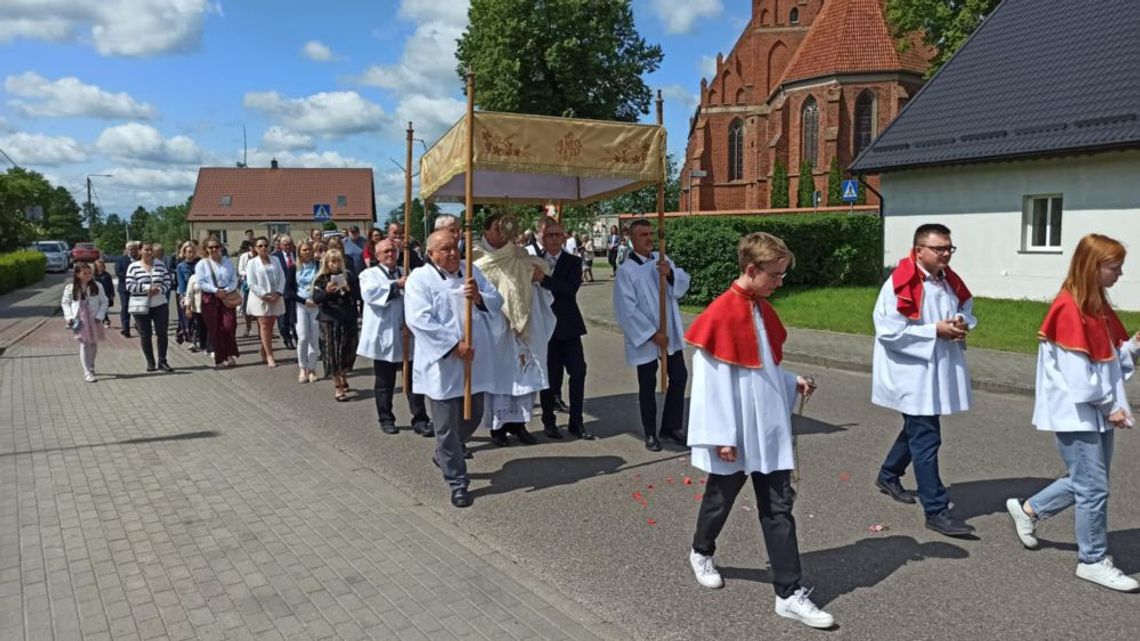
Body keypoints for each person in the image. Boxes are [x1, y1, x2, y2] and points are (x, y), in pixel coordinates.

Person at [683, 232, 833, 629]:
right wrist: (722, 436)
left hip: (767, 430)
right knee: (719, 500)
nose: (780, 282)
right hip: (734, 433)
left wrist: (790, 382)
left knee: (779, 507)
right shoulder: (720, 313)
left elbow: (761, 368)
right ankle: (701, 550)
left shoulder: (761, 308)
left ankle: (788, 592)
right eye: (775, 275)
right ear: (751, 270)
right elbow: (710, 386)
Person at [1005, 234, 1140, 592]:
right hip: (1077, 413)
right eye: (1115, 267)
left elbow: (1111, 363)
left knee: (1086, 480)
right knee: (1093, 487)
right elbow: (1079, 379)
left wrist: (1135, 346)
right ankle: (1092, 560)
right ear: (1093, 267)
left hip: (1092, 411)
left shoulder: (1096, 306)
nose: (1120, 273)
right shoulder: (1069, 308)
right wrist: (1111, 407)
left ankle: (1029, 510)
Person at [872, 223, 975, 537]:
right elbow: (888, 331)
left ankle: (889, 474)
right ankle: (936, 509)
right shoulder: (898, 284)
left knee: (918, 428)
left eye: (949, 248)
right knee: (927, 437)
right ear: (919, 251)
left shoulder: (948, 281)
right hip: (911, 374)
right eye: (939, 248)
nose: (945, 254)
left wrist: (962, 322)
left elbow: (968, 309)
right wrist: (935, 331)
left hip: (936, 368)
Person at [405, 230, 504, 508]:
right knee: (447, 426)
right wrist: (452, 346)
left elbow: (497, 300)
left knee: (474, 415)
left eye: (455, 247)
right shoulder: (419, 279)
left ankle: (444, 453)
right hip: (444, 362)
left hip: (474, 359)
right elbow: (419, 319)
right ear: (431, 254)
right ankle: (457, 481)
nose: (452, 253)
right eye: (445, 249)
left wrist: (480, 298)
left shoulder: (470, 270)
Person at [474, 213, 556, 446]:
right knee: (499, 375)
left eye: (506, 231)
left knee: (522, 372)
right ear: (487, 231)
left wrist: (531, 271)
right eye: (498, 230)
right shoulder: (477, 257)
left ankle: (519, 424)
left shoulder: (517, 253)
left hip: (522, 324)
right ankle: (497, 428)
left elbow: (538, 266)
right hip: (495, 322)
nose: (503, 235)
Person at [613, 218, 690, 451]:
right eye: (643, 235)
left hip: (669, 331)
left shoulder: (662, 260)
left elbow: (682, 285)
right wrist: (651, 333)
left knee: (679, 375)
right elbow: (626, 309)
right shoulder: (626, 271)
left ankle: (671, 426)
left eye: (650, 234)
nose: (648, 239)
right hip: (647, 334)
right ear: (632, 239)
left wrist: (670, 275)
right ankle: (650, 433)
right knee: (647, 384)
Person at [358, 239, 432, 435]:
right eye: (386, 252)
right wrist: (396, 286)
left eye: (393, 251)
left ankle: (420, 418)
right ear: (377, 255)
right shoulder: (368, 275)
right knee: (384, 381)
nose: (390, 254)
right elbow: (370, 295)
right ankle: (386, 418)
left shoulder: (406, 272)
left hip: (408, 334)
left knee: (413, 380)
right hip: (385, 335)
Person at [536, 221, 593, 440]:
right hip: (545, 327)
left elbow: (570, 289)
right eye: (550, 235)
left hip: (568, 325)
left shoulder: (572, 261)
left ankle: (576, 422)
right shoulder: (533, 261)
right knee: (550, 376)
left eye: (558, 235)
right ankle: (549, 421)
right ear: (542, 237)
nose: (554, 239)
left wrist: (544, 280)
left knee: (578, 371)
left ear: (563, 237)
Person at [312, 250, 358, 401]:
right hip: (330, 319)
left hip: (347, 318)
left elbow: (358, 295)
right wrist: (326, 291)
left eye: (338, 261)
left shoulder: (349, 276)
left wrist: (348, 290)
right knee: (332, 352)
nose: (335, 264)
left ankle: (343, 374)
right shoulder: (321, 279)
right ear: (326, 263)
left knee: (347, 350)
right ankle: (337, 386)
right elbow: (317, 299)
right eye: (332, 262)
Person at [125, 243, 174, 373]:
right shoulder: (133, 267)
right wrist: (146, 289)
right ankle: (150, 362)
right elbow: (129, 286)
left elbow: (168, 281)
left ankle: (162, 361)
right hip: (141, 304)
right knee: (145, 334)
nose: (148, 252)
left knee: (162, 333)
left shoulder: (160, 264)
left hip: (160, 304)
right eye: (146, 250)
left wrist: (159, 290)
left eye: (150, 250)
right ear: (140, 251)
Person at [195, 236, 240, 368]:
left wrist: (227, 290)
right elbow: (201, 282)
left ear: (221, 247)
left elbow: (234, 279)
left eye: (216, 246)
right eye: (211, 247)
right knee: (215, 329)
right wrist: (215, 290)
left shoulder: (228, 263)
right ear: (206, 249)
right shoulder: (202, 264)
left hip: (227, 296)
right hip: (210, 298)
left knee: (229, 326)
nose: (214, 249)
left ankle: (229, 353)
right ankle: (220, 358)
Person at [62, 262, 109, 383]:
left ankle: (91, 365)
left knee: (93, 343)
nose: (88, 275)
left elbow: (104, 302)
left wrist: (100, 315)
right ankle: (87, 372)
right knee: (84, 344)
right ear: (78, 274)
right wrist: (69, 316)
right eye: (85, 273)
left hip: (94, 318)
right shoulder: (70, 287)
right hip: (79, 319)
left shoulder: (97, 285)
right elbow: (65, 303)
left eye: (90, 273)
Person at [245, 236, 286, 368]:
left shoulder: (276, 260)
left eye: (265, 245)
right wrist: (264, 295)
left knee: (271, 325)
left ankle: (264, 349)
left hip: (275, 297)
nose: (263, 248)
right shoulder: (252, 263)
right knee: (264, 325)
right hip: (260, 299)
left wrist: (278, 292)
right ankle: (270, 355)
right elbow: (251, 283)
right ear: (256, 248)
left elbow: (282, 277)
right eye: (260, 246)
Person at [294, 240, 321, 383]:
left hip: (315, 304)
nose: (307, 252)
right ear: (299, 252)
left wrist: (318, 298)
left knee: (314, 338)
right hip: (301, 304)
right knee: (303, 337)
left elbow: (322, 283)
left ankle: (312, 368)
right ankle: (302, 367)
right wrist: (304, 301)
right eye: (304, 250)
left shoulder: (318, 265)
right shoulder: (294, 267)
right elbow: (289, 291)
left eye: (309, 249)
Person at [272, 235, 298, 350]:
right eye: (285, 244)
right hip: (281, 291)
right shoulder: (275, 257)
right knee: (283, 318)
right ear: (281, 245)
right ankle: (287, 338)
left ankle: (298, 338)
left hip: (295, 291)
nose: (287, 247)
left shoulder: (297, 255)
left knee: (295, 317)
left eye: (289, 244)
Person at [115, 241, 141, 336]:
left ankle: (139, 326)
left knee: (138, 308)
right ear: (127, 250)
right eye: (130, 249)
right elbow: (119, 272)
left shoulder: (141, 259)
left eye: (134, 249)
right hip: (124, 288)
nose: (133, 251)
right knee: (125, 308)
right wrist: (130, 279)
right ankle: (126, 329)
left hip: (138, 288)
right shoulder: (121, 260)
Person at [175, 241, 198, 346]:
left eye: (193, 251)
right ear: (184, 253)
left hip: (198, 295)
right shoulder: (181, 266)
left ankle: (198, 338)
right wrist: (185, 298)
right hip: (186, 295)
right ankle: (191, 339)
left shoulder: (200, 264)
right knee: (188, 319)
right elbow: (181, 284)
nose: (191, 254)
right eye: (189, 252)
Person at [237, 240, 257, 337]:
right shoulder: (244, 256)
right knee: (247, 308)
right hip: (247, 284)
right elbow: (240, 270)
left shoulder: (261, 256)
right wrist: (248, 273)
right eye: (253, 246)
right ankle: (248, 327)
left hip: (259, 284)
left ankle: (262, 330)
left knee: (260, 309)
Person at [92, 258, 115, 328]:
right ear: (95, 267)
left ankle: (106, 320)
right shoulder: (94, 275)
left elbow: (111, 285)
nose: (100, 268)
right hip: (97, 295)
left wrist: (112, 294)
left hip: (106, 294)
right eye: (98, 266)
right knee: (99, 308)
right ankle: (105, 320)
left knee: (104, 308)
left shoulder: (107, 275)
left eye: (101, 266)